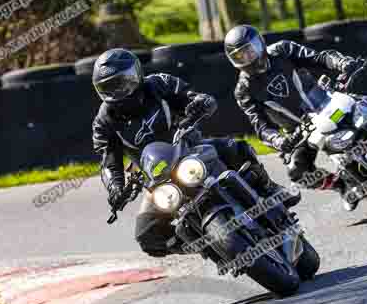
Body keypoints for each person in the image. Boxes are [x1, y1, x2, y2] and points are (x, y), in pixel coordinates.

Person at [91, 48, 298, 257]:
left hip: (191, 149)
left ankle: (270, 189)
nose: (118, 91)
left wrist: (200, 103)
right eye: (110, 87)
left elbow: (190, 96)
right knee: (147, 235)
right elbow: (108, 162)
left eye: (122, 82)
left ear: (136, 75)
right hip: (158, 178)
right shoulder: (104, 121)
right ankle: (207, 246)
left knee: (235, 148)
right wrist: (115, 188)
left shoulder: (158, 84)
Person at [224, 25, 367, 211]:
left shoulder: (282, 50)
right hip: (300, 130)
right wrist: (279, 141)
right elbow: (261, 127)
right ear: (233, 60)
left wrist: (341, 63)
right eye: (240, 56)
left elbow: (319, 58)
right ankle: (341, 185)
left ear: (259, 44)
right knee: (297, 172)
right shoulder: (244, 90)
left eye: (249, 50)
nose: (248, 57)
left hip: (325, 103)